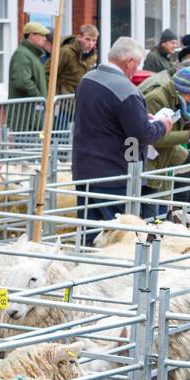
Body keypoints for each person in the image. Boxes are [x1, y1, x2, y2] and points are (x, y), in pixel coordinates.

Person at [71, 36, 174, 244]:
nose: (136, 71)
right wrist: (163, 125)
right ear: (129, 62)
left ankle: (84, 269)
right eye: (136, 65)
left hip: (85, 168)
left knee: (89, 233)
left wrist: (139, 118)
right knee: (115, 240)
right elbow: (144, 133)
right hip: (115, 174)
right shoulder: (125, 90)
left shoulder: (88, 79)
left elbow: (107, 118)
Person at [140, 64, 190, 218]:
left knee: (159, 211)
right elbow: (157, 138)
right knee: (150, 215)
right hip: (149, 166)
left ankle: (155, 236)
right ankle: (148, 239)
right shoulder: (156, 98)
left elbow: (184, 116)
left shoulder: (177, 100)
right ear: (183, 89)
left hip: (161, 165)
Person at [8, 21, 51, 131]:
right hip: (26, 117)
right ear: (32, 36)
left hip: (32, 114)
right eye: (41, 35)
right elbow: (22, 81)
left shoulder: (32, 54)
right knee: (26, 146)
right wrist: (39, 97)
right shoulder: (22, 55)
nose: (45, 38)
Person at [56, 24, 99, 95]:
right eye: (87, 39)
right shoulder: (66, 52)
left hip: (81, 95)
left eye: (94, 40)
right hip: (64, 98)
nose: (91, 44)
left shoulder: (93, 55)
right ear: (79, 37)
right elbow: (49, 73)